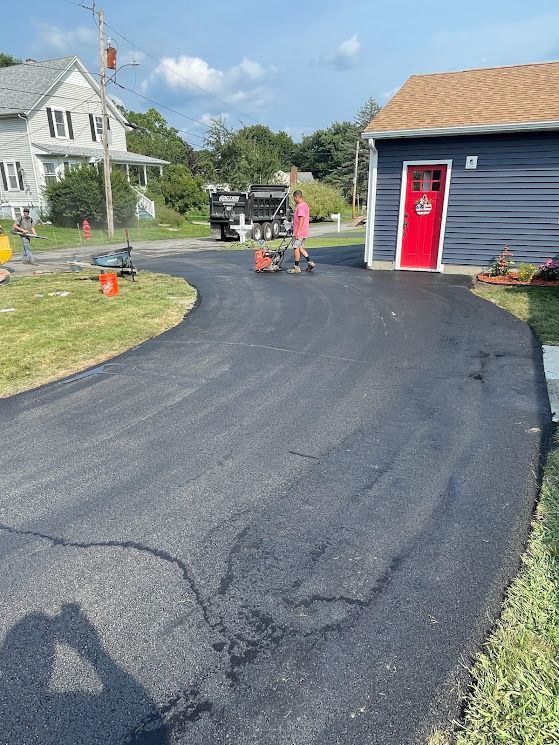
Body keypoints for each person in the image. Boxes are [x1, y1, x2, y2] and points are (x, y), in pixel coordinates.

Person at [287, 190, 316, 274]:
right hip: (304, 231)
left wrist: (297, 232)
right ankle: (310, 262)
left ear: (297, 197)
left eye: (294, 198)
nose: (294, 200)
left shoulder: (301, 206)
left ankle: (296, 267)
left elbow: (301, 219)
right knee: (300, 247)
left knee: (296, 248)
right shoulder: (305, 205)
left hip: (300, 232)